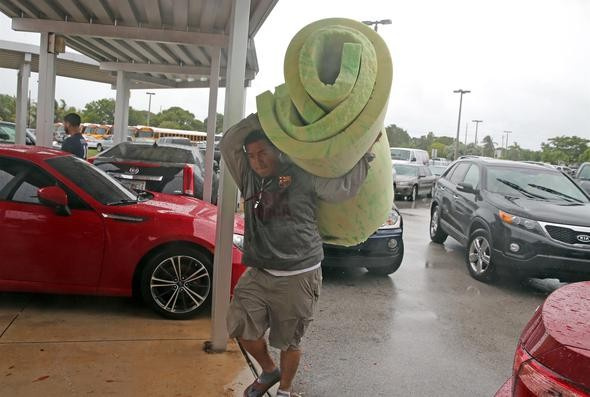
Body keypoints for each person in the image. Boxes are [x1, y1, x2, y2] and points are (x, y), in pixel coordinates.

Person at [221, 114, 376, 397]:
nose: (257, 161)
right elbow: (229, 142)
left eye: (263, 153)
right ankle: (269, 371)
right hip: (259, 270)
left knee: (289, 342)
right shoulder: (248, 177)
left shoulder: (300, 172)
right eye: (252, 156)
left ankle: (285, 390)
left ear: (277, 149)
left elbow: (341, 189)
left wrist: (366, 155)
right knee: (242, 328)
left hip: (299, 273)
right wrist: (264, 116)